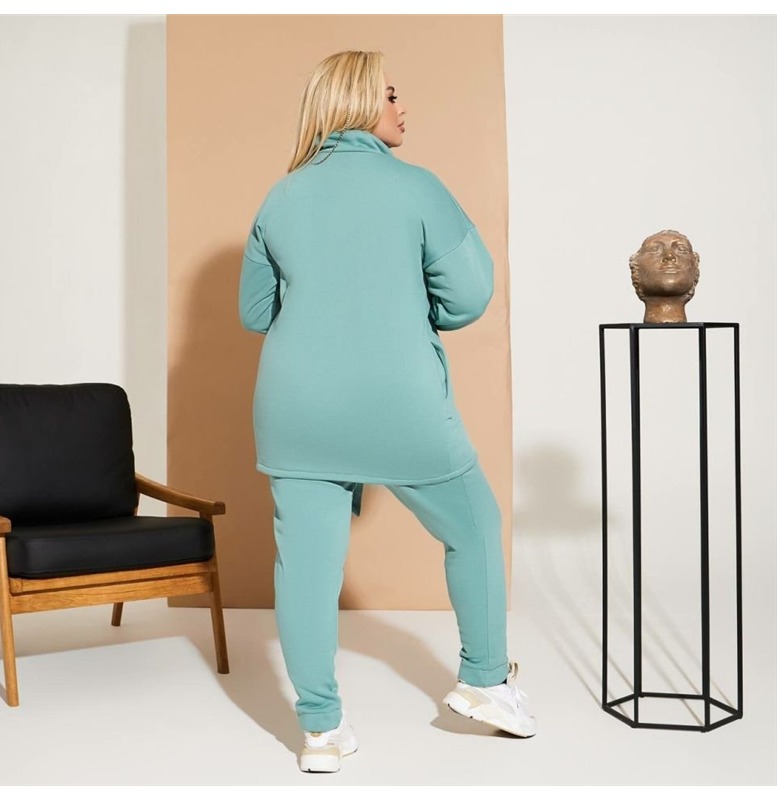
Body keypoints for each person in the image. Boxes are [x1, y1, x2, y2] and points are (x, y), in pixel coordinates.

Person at [238, 49, 536, 773]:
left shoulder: (281, 196)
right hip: (398, 401)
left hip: (296, 410)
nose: (403, 108)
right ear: (358, 101)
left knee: (306, 570)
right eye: (391, 94)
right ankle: (485, 682)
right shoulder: (416, 187)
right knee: (474, 527)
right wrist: (411, 310)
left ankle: (320, 731)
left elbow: (253, 312)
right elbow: (470, 294)